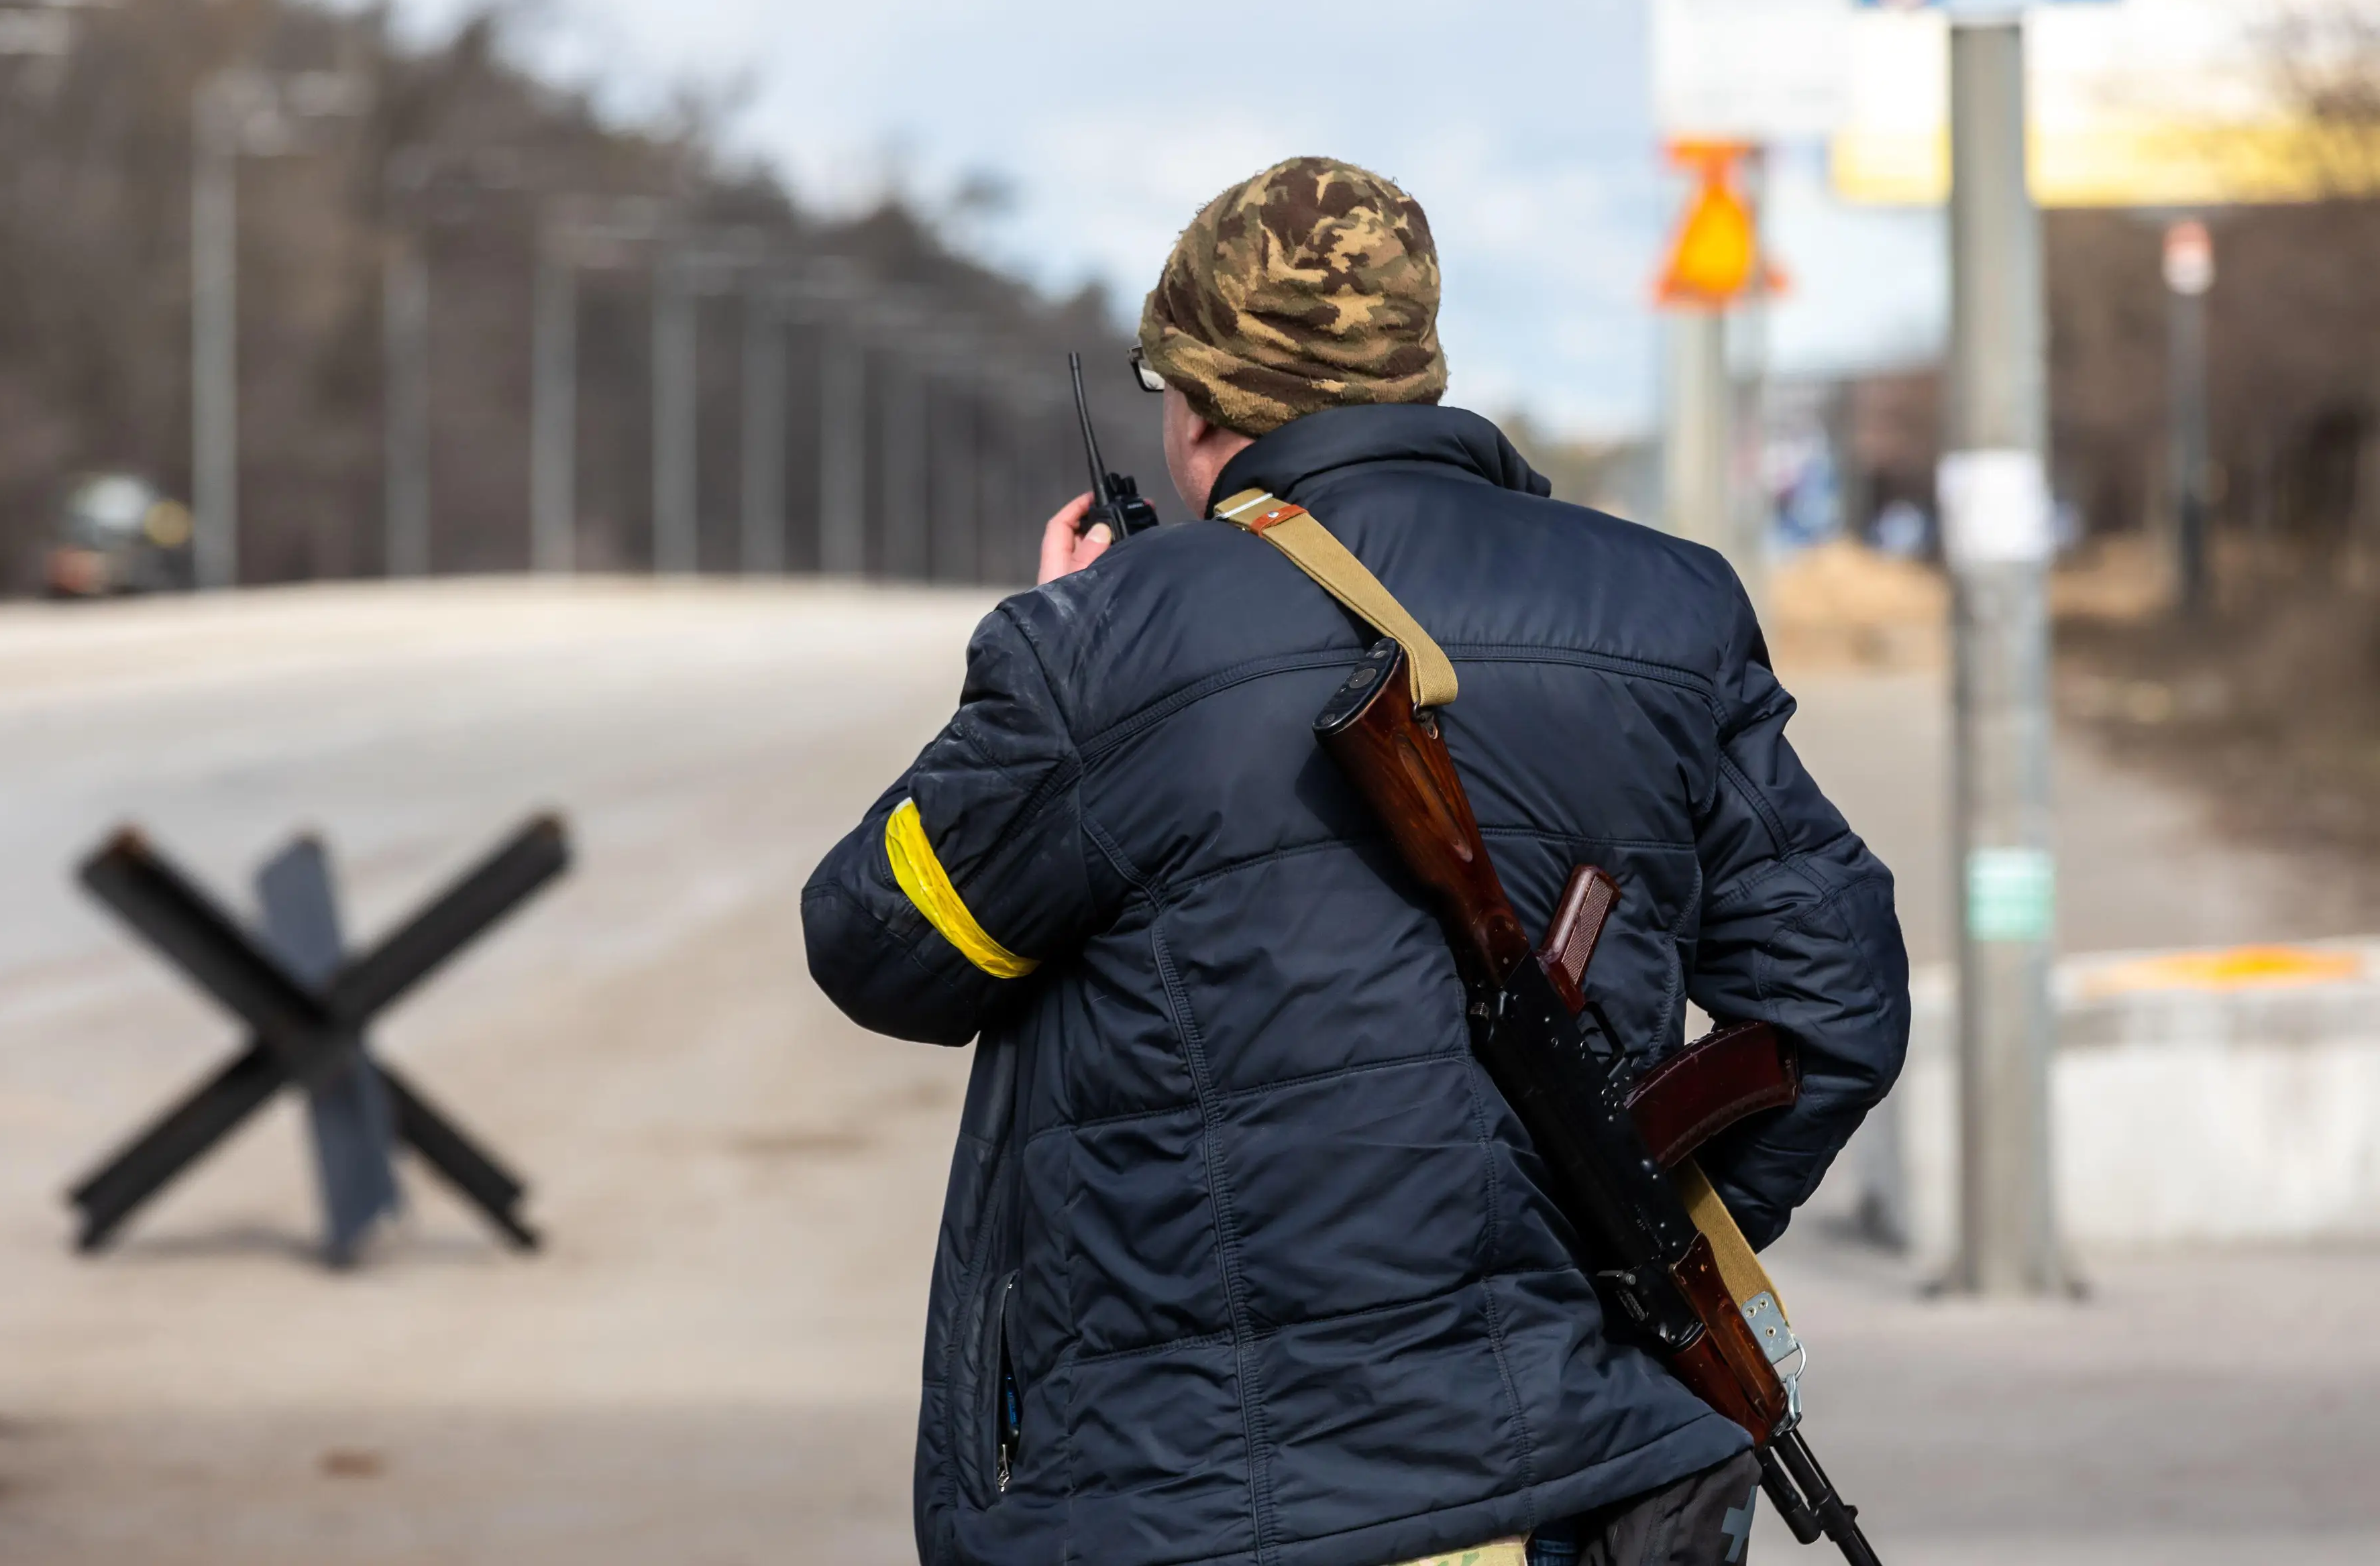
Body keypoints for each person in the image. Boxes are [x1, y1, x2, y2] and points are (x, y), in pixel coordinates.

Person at [800, 157, 1909, 1566]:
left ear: (1198, 402)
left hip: (1207, 1501)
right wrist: (1632, 1240)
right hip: (1596, 1478)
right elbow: (1840, 1001)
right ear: (1419, 375)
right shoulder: (1666, 603)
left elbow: (879, 940)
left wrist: (1060, 657)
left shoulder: (1109, 639)